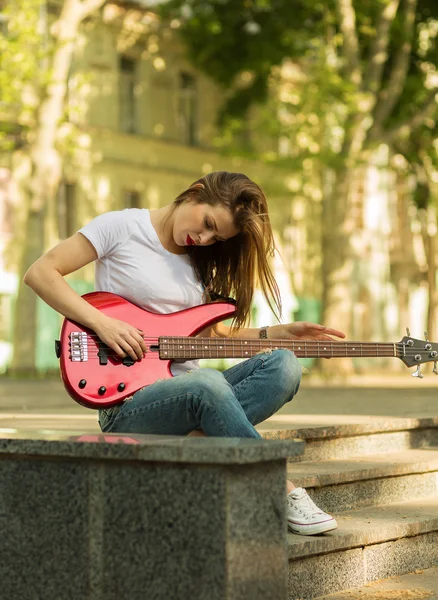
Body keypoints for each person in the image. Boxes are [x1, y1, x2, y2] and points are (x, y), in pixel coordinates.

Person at [24, 170, 345, 536]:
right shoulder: (121, 227)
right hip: (130, 404)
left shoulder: (198, 258)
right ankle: (278, 486)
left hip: (196, 391)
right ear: (195, 193)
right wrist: (102, 324)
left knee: (285, 365)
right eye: (207, 224)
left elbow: (211, 334)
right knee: (205, 384)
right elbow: (41, 272)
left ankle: (198, 443)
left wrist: (275, 333)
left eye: (216, 237)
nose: (204, 238)